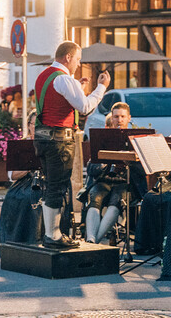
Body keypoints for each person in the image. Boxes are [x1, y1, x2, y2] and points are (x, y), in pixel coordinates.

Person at [33, 41, 110, 249]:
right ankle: (53, 235)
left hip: (43, 138)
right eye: (77, 59)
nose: (78, 64)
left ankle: (52, 233)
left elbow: (57, 102)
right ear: (68, 57)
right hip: (59, 141)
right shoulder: (64, 79)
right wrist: (101, 87)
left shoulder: (44, 76)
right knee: (57, 187)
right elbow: (84, 107)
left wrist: (79, 88)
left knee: (51, 185)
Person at [81, 106, 137, 244]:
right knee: (94, 197)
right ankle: (91, 239)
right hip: (103, 181)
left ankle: (93, 242)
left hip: (125, 182)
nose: (119, 120)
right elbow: (91, 168)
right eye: (116, 116)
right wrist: (104, 162)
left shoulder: (136, 137)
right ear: (111, 118)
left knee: (116, 202)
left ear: (129, 118)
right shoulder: (103, 138)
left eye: (123, 116)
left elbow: (142, 169)